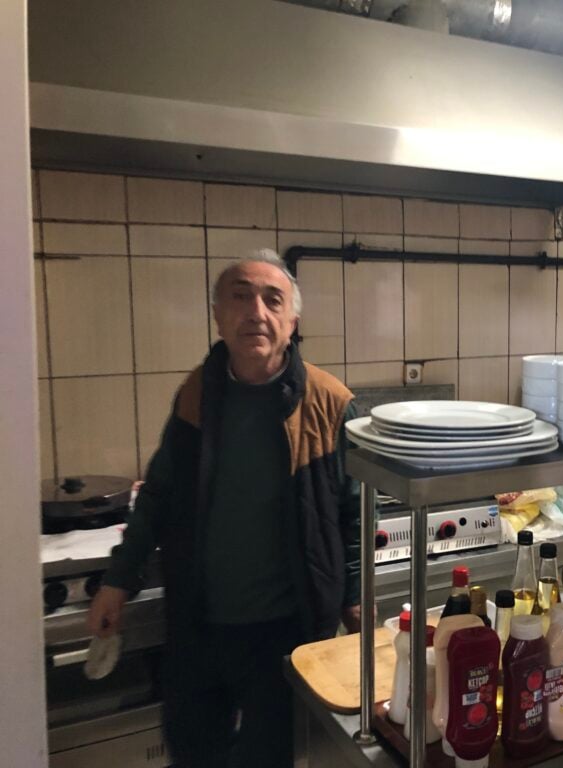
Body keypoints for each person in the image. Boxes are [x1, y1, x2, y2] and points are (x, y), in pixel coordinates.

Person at [88, 249, 362, 768]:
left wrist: (353, 599)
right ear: (218, 314)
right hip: (200, 626)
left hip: (289, 632)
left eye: (272, 299)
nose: (256, 311)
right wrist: (118, 579)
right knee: (194, 755)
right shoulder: (197, 394)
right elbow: (159, 495)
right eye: (240, 297)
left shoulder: (331, 404)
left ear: (292, 321)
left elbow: (354, 516)